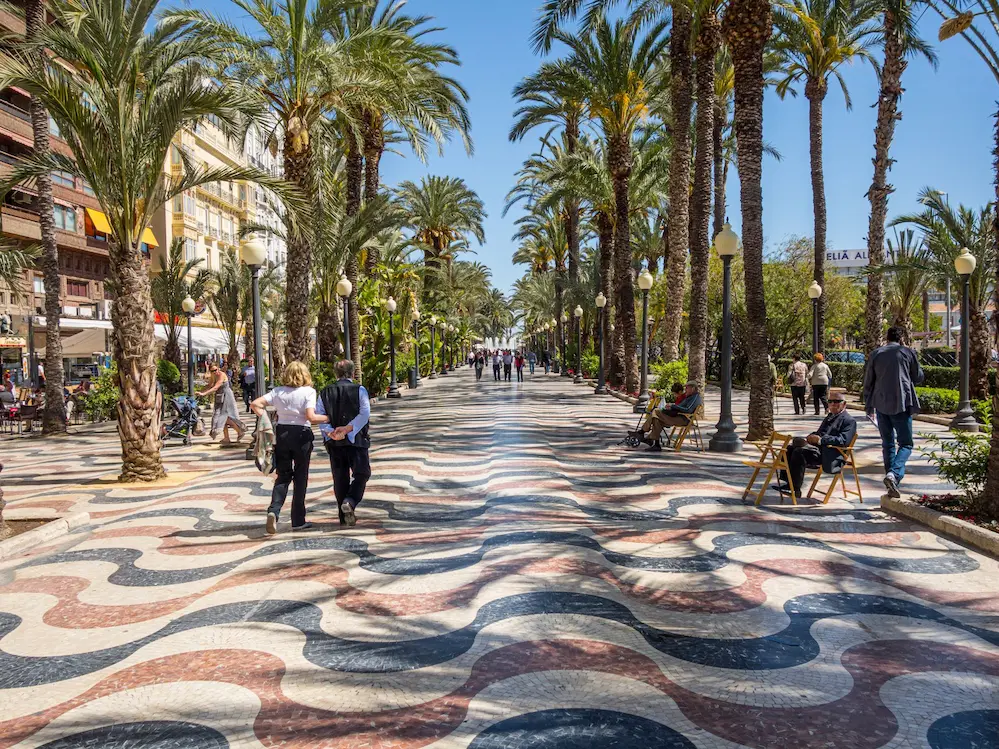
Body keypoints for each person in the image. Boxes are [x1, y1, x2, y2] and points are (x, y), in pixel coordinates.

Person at [252, 361, 318, 534]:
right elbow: (310, 416)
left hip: (282, 433)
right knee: (301, 476)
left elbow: (255, 404)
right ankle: (298, 519)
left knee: (283, 476)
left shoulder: (278, 391)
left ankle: (273, 511)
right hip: (302, 434)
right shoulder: (309, 392)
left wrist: (265, 418)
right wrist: (328, 419)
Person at [863, 326, 925, 498]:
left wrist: (868, 405)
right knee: (906, 443)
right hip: (902, 404)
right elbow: (918, 376)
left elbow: (868, 381)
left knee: (887, 443)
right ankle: (894, 475)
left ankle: (891, 481)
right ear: (901, 338)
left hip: (880, 403)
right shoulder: (907, 352)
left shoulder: (876, 354)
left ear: (886, 337)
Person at [315, 359, 371, 527]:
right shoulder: (360, 390)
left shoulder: (325, 392)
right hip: (357, 441)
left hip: (334, 442)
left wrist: (330, 432)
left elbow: (320, 414)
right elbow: (364, 413)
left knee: (340, 478)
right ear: (352, 374)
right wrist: (348, 429)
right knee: (362, 473)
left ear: (336, 374)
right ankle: (350, 501)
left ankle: (343, 516)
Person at [774, 388, 857, 497]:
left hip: (832, 454)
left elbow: (843, 440)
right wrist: (811, 437)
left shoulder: (849, 421)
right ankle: (788, 483)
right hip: (818, 449)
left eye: (836, 402)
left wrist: (821, 440)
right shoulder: (830, 417)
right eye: (830, 401)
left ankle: (795, 488)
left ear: (844, 404)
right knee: (789, 448)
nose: (833, 404)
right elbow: (820, 432)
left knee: (799, 452)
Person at [640, 381, 703, 452]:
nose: (685, 390)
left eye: (687, 388)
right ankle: (656, 444)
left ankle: (642, 432)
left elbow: (688, 410)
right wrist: (672, 406)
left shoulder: (695, 398)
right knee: (656, 420)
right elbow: (680, 406)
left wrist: (673, 406)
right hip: (679, 416)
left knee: (656, 411)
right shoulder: (690, 396)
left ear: (693, 388)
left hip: (684, 419)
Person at [196, 361, 247, 444]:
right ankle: (227, 437)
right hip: (220, 397)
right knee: (221, 417)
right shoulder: (213, 376)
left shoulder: (221, 375)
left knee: (226, 417)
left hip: (227, 396)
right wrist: (200, 391)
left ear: (218, 368)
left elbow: (215, 387)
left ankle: (239, 431)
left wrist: (204, 394)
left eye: (216, 370)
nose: (215, 372)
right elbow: (210, 385)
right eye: (212, 371)